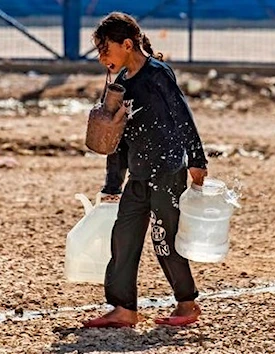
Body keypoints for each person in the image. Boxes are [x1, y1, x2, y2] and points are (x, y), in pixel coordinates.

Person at [82, 12, 208, 328]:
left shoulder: (157, 75)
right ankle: (124, 308)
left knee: (165, 239)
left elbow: (182, 115)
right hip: (138, 175)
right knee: (123, 237)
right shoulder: (120, 86)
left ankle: (187, 304)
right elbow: (118, 141)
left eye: (105, 49)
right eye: (99, 51)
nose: (102, 57)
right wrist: (112, 185)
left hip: (166, 172)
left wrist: (196, 159)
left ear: (127, 44)